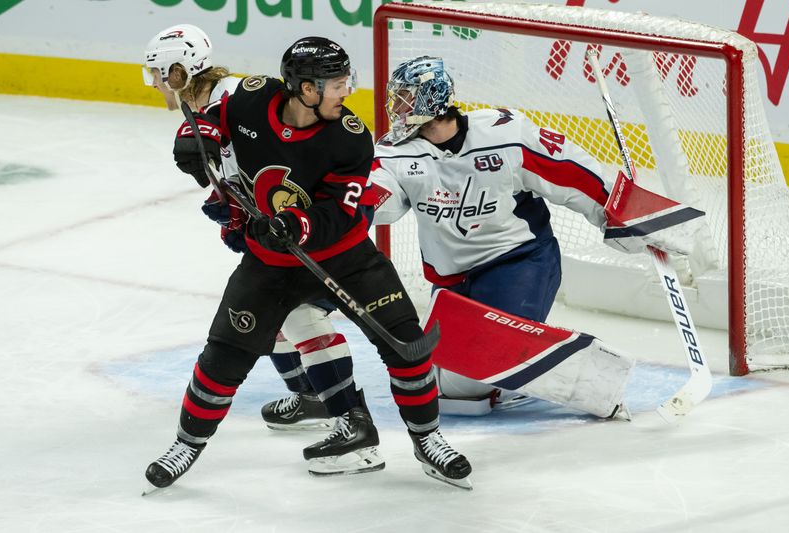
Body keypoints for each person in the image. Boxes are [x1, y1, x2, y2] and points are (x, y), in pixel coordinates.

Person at [143, 38, 472, 491]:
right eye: (336, 85)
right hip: (270, 264)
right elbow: (216, 115)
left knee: (406, 346)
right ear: (304, 88)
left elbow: (340, 213)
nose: (346, 93)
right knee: (223, 356)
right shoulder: (255, 97)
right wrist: (196, 135)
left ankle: (428, 440)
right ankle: (186, 444)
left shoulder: (351, 137)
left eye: (345, 82)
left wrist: (296, 224)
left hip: (349, 258)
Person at [369, 56, 693, 417]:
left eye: (405, 98)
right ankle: (510, 376)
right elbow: (377, 199)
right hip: (453, 280)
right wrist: (342, 212)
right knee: (447, 392)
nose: (396, 107)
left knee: (470, 379)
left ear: (431, 100)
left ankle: (590, 381)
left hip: (520, 263)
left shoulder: (504, 134)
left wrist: (623, 216)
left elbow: (573, 174)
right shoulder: (396, 152)